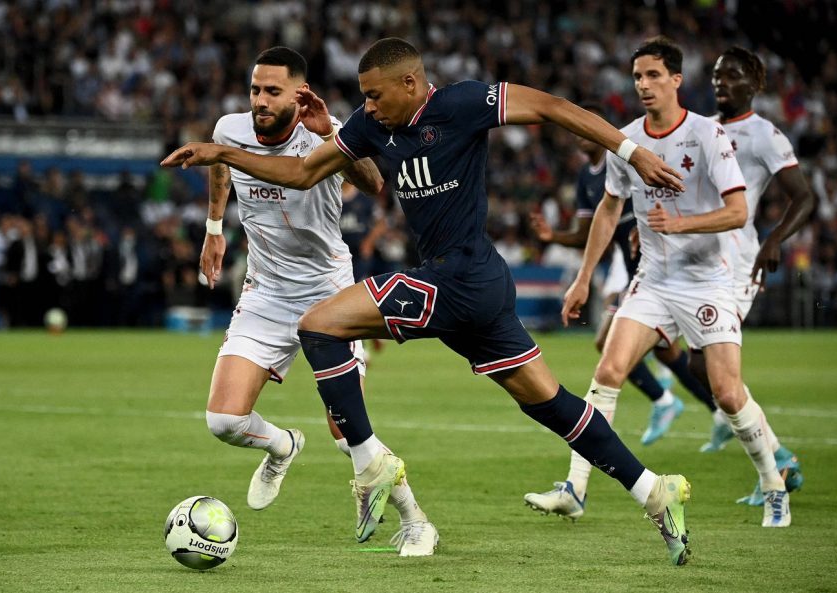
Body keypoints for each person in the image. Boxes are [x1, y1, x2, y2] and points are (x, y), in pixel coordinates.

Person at [163, 37, 694, 565]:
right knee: (550, 404)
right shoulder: (374, 126)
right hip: (464, 285)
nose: (367, 108)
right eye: (363, 98)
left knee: (319, 325)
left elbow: (553, 107)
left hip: (463, 276)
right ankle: (652, 490)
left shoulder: (462, 104)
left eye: (374, 96)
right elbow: (301, 172)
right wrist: (226, 154)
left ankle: (370, 465)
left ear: (410, 84)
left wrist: (633, 152)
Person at [197, 46, 437, 557]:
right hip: (265, 292)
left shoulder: (325, 136)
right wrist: (215, 228)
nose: (260, 100)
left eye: (273, 91)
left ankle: (416, 520)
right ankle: (282, 446)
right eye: (255, 90)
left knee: (345, 429)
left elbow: (374, 184)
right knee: (224, 421)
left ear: (299, 93)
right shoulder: (228, 129)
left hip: (327, 293)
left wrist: (331, 131)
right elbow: (219, 166)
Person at [552, 36, 791, 528]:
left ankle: (773, 482)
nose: (644, 84)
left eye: (654, 75)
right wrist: (583, 279)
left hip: (708, 281)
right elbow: (609, 207)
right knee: (608, 372)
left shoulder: (706, 135)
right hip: (653, 281)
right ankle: (575, 488)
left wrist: (679, 225)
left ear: (676, 80)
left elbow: (739, 211)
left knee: (726, 392)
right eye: (638, 76)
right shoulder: (626, 141)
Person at [526, 102, 717, 454]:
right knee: (662, 350)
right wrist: (554, 238)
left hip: (657, 263)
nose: (578, 134)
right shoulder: (588, 176)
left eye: (585, 127)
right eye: (574, 130)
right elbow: (587, 231)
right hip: (626, 264)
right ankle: (704, 408)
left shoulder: (631, 155)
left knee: (664, 349)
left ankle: (686, 404)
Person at [692, 46, 814, 503]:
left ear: (754, 84)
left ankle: (776, 463)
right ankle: (778, 456)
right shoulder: (703, 128)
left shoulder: (764, 135)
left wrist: (775, 238)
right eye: (718, 74)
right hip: (698, 259)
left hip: (741, 262)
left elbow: (804, 197)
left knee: (713, 367)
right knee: (694, 364)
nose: (721, 81)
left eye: (733, 75)